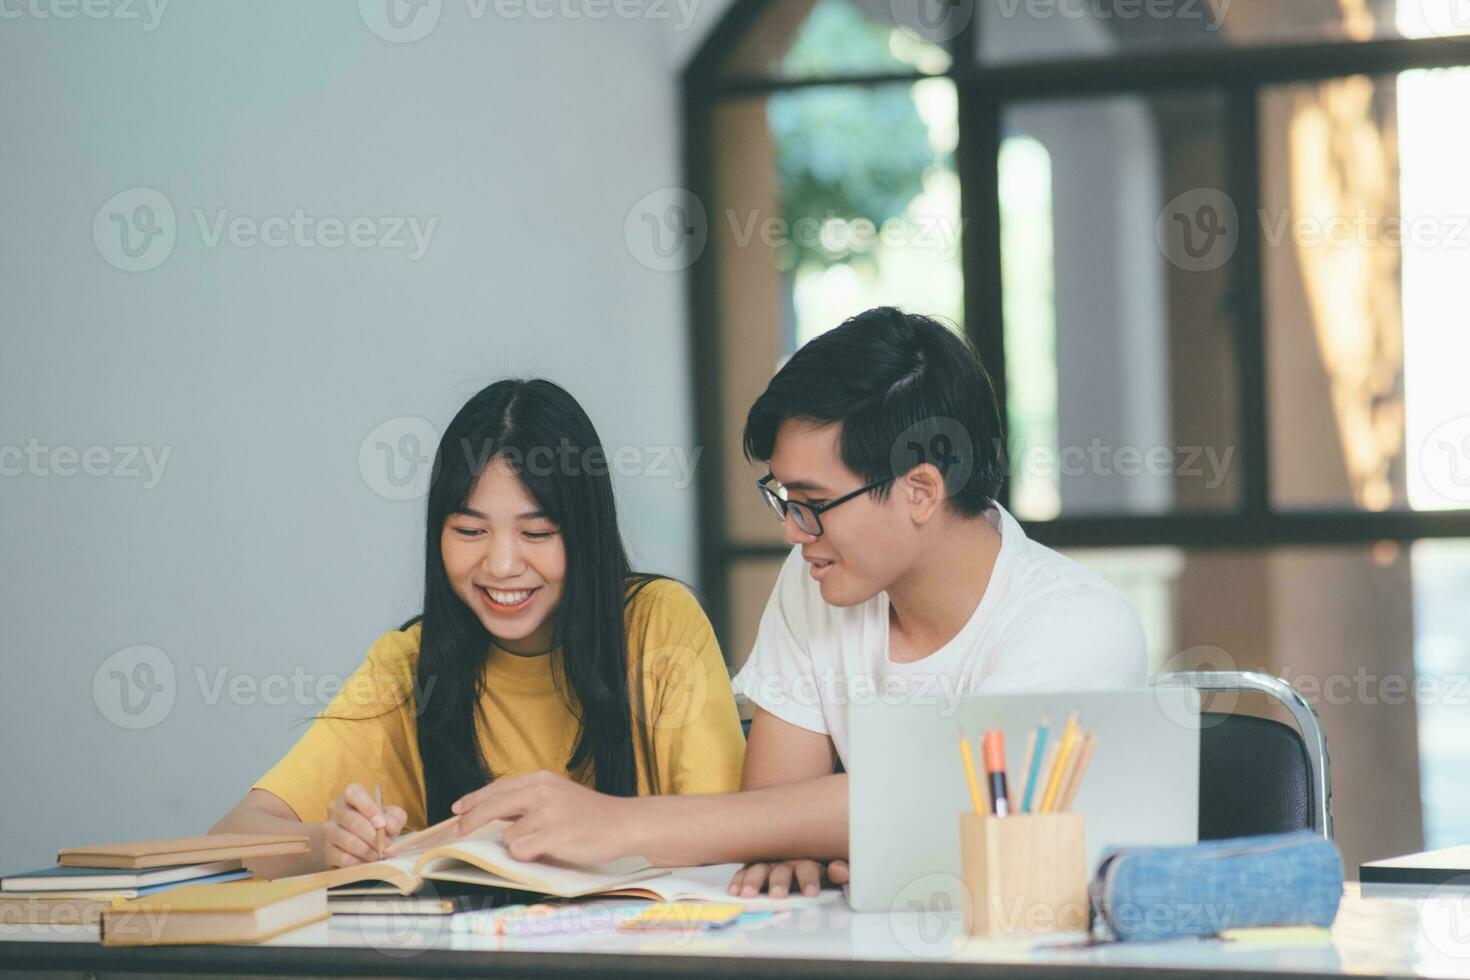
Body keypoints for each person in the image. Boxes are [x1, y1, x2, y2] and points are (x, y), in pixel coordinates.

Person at [431, 308, 1147, 897]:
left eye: (812, 502)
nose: (790, 529)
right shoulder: (819, 582)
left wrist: (613, 824)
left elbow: (946, 798)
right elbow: (772, 820)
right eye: (782, 498)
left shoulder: (1076, 624)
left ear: (921, 489)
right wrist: (817, 834)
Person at [210, 379, 746, 877]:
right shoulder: (408, 665)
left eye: (537, 533)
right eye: (469, 530)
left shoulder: (657, 623)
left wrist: (599, 822)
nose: (502, 564)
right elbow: (234, 836)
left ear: (586, 532)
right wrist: (328, 843)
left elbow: (732, 829)